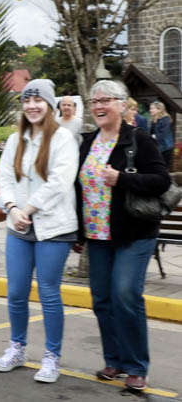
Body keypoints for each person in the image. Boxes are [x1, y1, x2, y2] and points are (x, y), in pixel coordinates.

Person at [76, 80, 169, 392]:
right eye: (94, 101)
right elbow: (78, 189)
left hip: (134, 233)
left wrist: (123, 178)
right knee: (102, 299)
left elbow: (161, 180)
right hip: (97, 234)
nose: (99, 106)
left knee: (126, 294)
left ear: (121, 103)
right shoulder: (87, 141)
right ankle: (113, 360)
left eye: (106, 100)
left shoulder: (138, 139)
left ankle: (135, 366)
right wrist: (78, 231)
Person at [0, 79, 79, 383]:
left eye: (38, 100)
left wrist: (27, 209)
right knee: (16, 292)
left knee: (48, 292)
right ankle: (17, 347)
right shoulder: (17, 140)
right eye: (26, 100)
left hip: (53, 227)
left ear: (50, 105)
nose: (31, 105)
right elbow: (2, 179)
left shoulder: (63, 139)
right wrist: (12, 209)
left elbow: (60, 182)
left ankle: (52, 356)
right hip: (19, 225)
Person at [149, 100, 174, 170]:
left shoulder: (165, 120)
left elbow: (161, 135)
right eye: (150, 108)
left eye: (152, 108)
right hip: (158, 148)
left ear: (159, 109)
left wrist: (153, 137)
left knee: (165, 169)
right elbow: (150, 133)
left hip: (165, 149)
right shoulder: (153, 120)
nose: (150, 110)